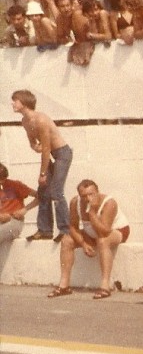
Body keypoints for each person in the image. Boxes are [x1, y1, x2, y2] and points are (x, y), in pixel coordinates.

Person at [47, 179, 130, 299]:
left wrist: (92, 212)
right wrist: (83, 243)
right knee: (66, 240)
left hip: (116, 231)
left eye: (91, 194)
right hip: (92, 231)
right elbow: (73, 227)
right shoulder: (75, 202)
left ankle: (105, 286)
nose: (88, 198)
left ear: (98, 192)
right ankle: (64, 285)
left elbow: (105, 231)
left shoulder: (109, 203)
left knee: (103, 240)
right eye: (84, 195)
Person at [12, 89, 72, 243]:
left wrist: (43, 174)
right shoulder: (25, 121)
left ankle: (65, 230)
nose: (12, 103)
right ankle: (45, 230)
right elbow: (34, 143)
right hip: (51, 153)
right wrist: (34, 146)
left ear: (24, 103)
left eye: (15, 100)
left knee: (57, 192)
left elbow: (46, 149)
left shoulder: (41, 120)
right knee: (44, 192)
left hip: (62, 153)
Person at [0, 163, 38, 244]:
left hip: (13, 221)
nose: (1, 182)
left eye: (3, 179)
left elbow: (40, 196)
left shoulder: (15, 185)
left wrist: (25, 209)